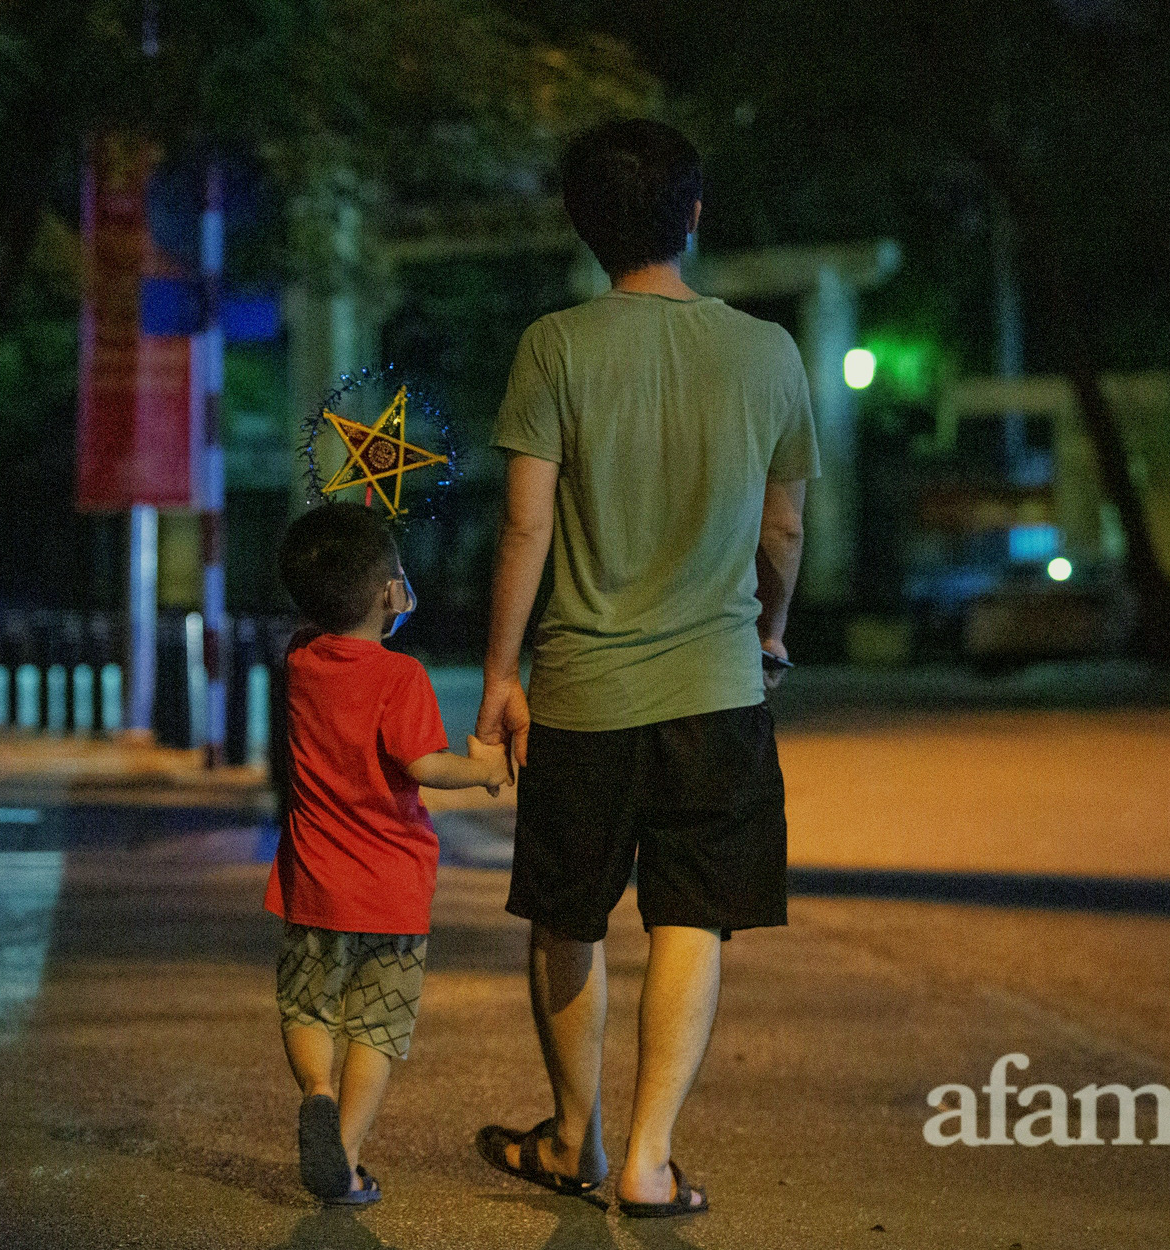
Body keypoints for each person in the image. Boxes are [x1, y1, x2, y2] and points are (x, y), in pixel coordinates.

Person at [473, 117, 817, 1218]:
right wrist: (766, 634)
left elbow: (524, 530)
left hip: (580, 689)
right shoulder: (767, 351)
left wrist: (497, 673)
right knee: (689, 917)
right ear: (694, 214)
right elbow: (783, 532)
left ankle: (571, 1135)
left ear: (583, 226)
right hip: (716, 689)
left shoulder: (554, 346)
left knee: (569, 914)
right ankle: (649, 1158)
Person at [268, 502, 511, 1205]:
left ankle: (314, 1089)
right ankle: (343, 1156)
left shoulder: (300, 661)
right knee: (375, 1025)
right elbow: (424, 765)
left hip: (314, 884)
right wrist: (485, 770)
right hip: (392, 892)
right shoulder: (400, 678)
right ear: (385, 593)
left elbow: (327, 611)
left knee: (307, 1008)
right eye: (398, 575)